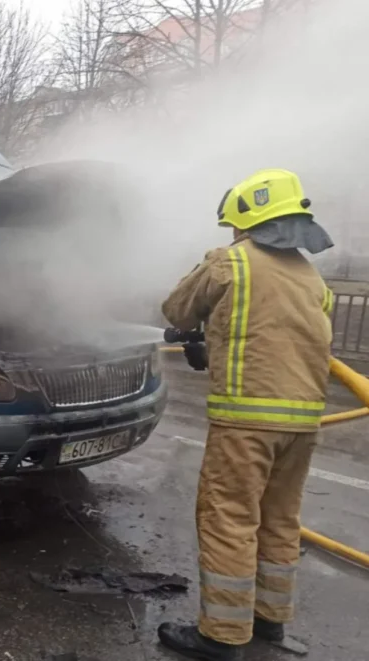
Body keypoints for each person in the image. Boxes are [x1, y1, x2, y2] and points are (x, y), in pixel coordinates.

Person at [158, 169, 335, 661]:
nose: (233, 236)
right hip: (302, 424)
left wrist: (201, 328)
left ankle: (221, 636)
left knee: (229, 519)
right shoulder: (311, 276)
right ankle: (269, 623)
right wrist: (215, 349)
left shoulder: (230, 264)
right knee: (279, 519)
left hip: (245, 423)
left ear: (249, 219)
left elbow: (176, 310)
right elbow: (278, 340)